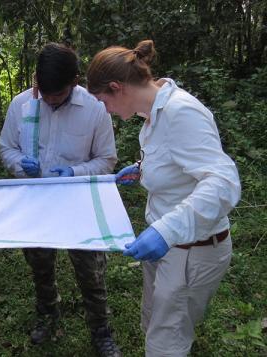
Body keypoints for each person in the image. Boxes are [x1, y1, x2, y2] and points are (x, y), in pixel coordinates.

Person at [87, 40, 241, 356]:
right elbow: (177, 162)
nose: (106, 111)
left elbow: (223, 183)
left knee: (165, 345)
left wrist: (165, 231)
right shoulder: (152, 113)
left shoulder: (180, 113)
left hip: (192, 251)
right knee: (154, 325)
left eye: (103, 101)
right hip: (168, 249)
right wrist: (143, 170)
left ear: (117, 88)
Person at [0, 43, 120, 356]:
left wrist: (75, 171)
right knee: (39, 264)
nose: (50, 101)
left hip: (79, 201)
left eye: (58, 95)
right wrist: (17, 164)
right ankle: (48, 314)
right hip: (35, 201)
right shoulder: (22, 104)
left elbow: (107, 159)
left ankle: (101, 330)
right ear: (36, 79)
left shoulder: (94, 109)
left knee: (90, 271)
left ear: (75, 82)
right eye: (44, 92)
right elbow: (7, 148)